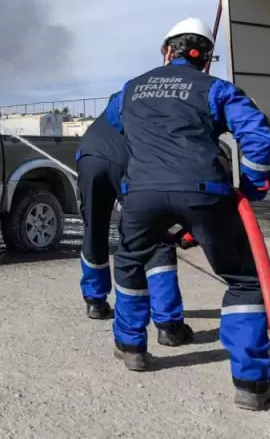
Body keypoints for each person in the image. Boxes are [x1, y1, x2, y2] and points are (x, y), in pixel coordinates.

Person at [104, 17, 270, 411]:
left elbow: (116, 122)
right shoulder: (217, 88)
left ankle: (131, 347)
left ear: (167, 51)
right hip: (205, 193)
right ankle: (251, 384)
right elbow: (258, 138)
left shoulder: (130, 89)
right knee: (244, 280)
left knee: (130, 261)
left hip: (142, 195)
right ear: (206, 61)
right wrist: (251, 189)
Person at [76, 103, 193, 349]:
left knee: (93, 229)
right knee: (156, 233)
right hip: (128, 159)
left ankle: (95, 302)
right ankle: (169, 325)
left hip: (88, 157)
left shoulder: (128, 98)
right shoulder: (171, 111)